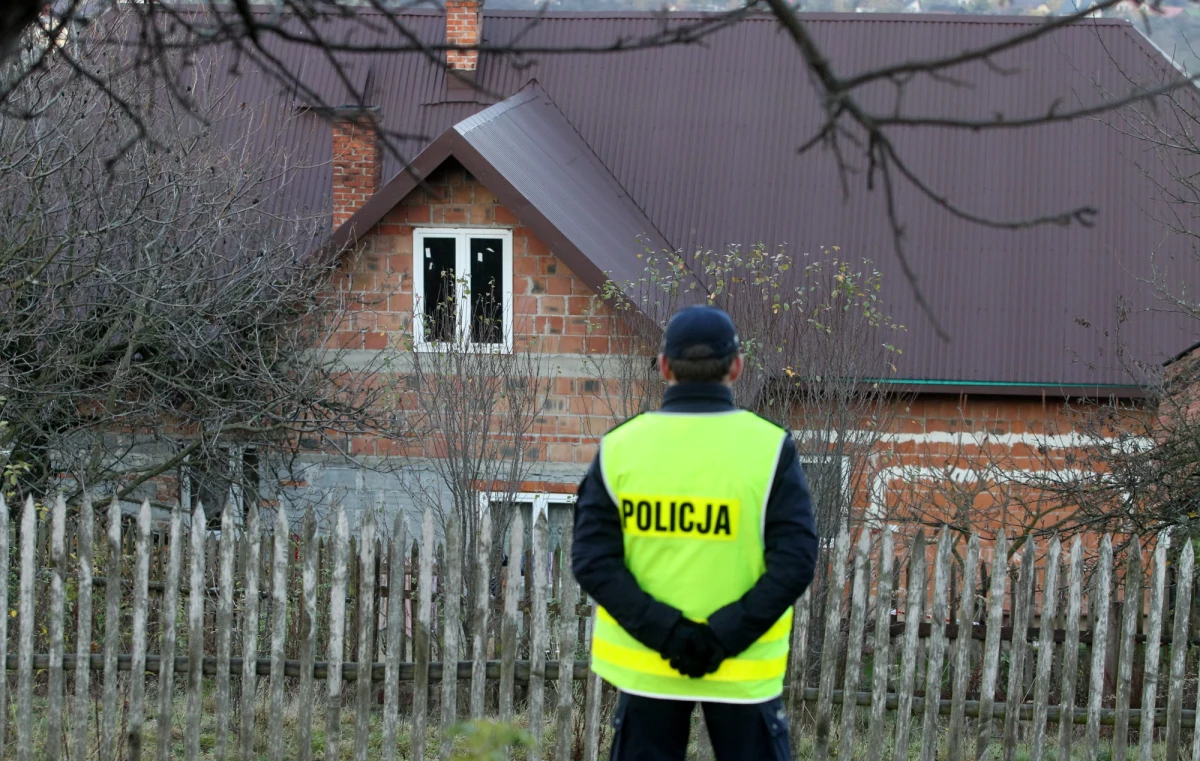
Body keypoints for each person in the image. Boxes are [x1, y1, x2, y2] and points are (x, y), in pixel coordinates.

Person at [572, 305, 820, 761]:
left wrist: (668, 634)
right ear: (737, 367)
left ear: (664, 366)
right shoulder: (769, 449)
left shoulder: (620, 448)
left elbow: (593, 560)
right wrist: (723, 635)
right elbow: (796, 561)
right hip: (743, 670)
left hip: (646, 668)